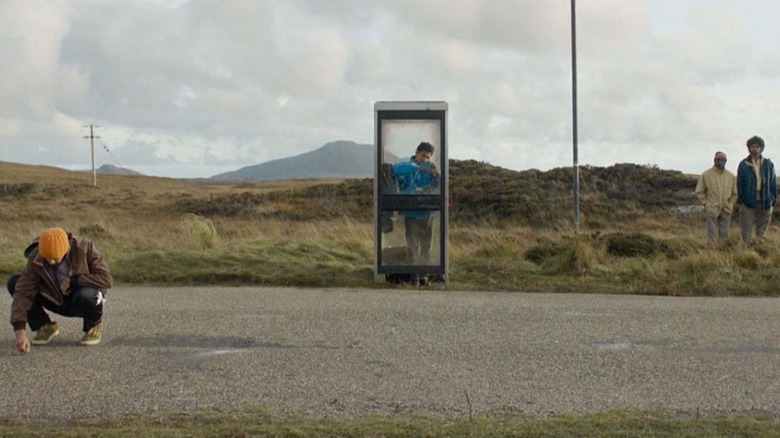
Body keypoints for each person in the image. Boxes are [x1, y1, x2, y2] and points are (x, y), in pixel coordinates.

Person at [8, 228, 113, 353]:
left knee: (88, 295)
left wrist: (76, 281)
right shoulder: (36, 257)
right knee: (15, 282)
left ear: (66, 250)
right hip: (56, 298)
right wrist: (19, 331)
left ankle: (93, 325)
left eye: (55, 258)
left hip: (81, 297)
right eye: (47, 258)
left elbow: (106, 279)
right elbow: (23, 292)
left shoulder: (84, 247)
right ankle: (44, 326)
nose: (51, 261)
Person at [392, 142, 440, 285]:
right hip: (411, 213)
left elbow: (437, 185)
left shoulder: (429, 168)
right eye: (423, 156)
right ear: (416, 152)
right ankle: (414, 277)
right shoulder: (407, 165)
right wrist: (415, 168)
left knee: (426, 246)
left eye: (428, 157)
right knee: (413, 246)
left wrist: (434, 174)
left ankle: (424, 276)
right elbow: (394, 171)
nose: (425, 159)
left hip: (426, 212)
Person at [736, 135, 777, 244]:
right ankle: (745, 253)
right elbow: (739, 184)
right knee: (746, 231)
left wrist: (772, 199)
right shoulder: (743, 165)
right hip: (748, 201)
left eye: (757, 146)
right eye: (752, 146)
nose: (755, 149)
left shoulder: (769, 165)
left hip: (765, 200)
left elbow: (773, 184)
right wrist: (742, 200)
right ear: (749, 148)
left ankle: (759, 250)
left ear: (761, 148)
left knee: (762, 232)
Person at [695, 151, 738, 243]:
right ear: (714, 161)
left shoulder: (731, 176)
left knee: (724, 234)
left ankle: (722, 252)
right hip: (712, 208)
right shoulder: (706, 174)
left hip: (726, 209)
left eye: (723, 160)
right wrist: (706, 203)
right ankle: (711, 252)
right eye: (718, 160)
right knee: (711, 235)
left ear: (726, 161)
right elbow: (699, 191)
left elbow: (735, 193)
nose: (720, 162)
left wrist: (730, 204)